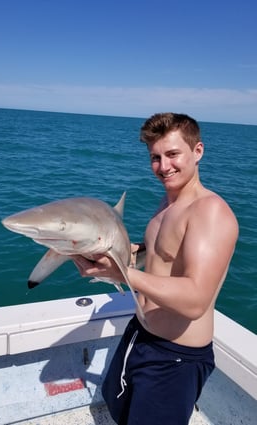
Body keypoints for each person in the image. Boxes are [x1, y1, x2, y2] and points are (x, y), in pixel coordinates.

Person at [74, 113, 238, 425]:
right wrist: (106, 256)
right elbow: (159, 256)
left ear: (197, 151)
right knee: (120, 413)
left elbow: (195, 299)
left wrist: (121, 273)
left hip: (175, 358)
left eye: (173, 155)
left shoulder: (210, 212)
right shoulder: (168, 202)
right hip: (140, 334)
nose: (163, 167)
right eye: (155, 157)